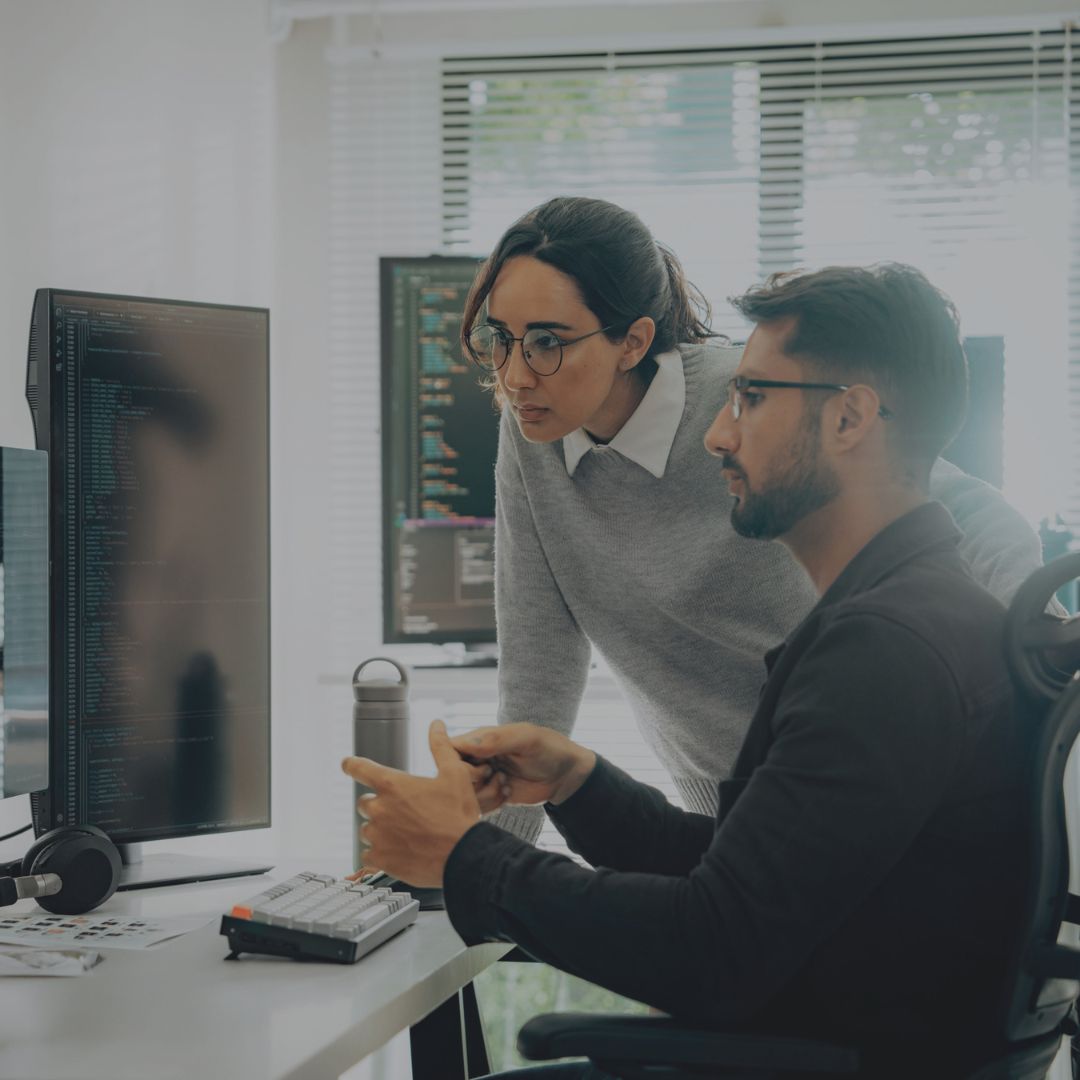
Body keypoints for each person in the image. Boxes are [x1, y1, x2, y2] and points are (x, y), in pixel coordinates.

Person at [343, 263, 1033, 1078]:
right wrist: (579, 784)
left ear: (850, 418)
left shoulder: (885, 651)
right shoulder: (916, 615)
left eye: (751, 399)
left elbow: (713, 950)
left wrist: (462, 856)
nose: (717, 434)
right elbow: (747, 881)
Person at [456, 196, 1044, 836]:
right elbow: (538, 675)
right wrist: (469, 880)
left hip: (855, 780)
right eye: (499, 339)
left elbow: (964, 512)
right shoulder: (533, 431)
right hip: (721, 813)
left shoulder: (751, 398)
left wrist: (1039, 674)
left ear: (633, 342)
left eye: (546, 342)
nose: (514, 377)